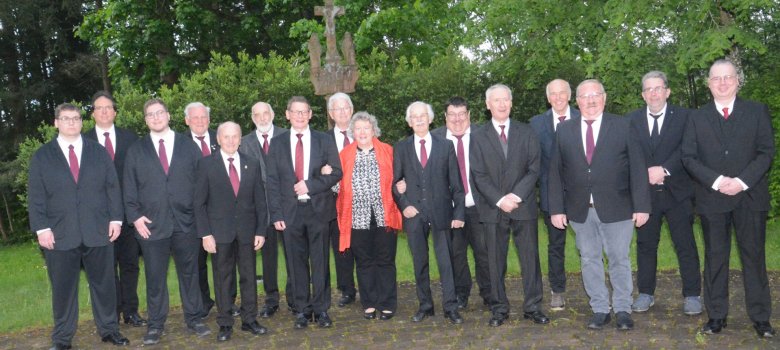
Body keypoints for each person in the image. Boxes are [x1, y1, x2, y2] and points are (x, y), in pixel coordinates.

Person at [681, 59, 775, 338]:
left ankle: (761, 318)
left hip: (750, 197)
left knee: (754, 258)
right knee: (715, 258)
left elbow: (765, 152)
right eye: (716, 78)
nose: (722, 83)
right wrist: (719, 181)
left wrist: (742, 182)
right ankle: (717, 316)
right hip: (712, 198)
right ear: (708, 83)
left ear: (737, 80)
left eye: (728, 77)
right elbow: (688, 157)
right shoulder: (696, 118)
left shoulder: (757, 112)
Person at [548, 79, 650, 331]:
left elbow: (638, 168)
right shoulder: (564, 130)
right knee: (590, 260)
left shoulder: (624, 126)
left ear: (604, 98)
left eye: (595, 95)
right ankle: (600, 309)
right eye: (585, 96)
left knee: (619, 259)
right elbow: (555, 172)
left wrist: (642, 205)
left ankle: (623, 308)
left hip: (618, 208)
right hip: (580, 210)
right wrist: (556, 208)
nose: (590, 100)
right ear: (577, 101)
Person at [28, 103, 129, 349]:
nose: (71, 122)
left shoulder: (98, 152)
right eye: (65, 118)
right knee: (63, 290)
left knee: (104, 286)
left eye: (75, 118)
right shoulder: (42, 156)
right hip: (60, 234)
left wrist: (116, 219)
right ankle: (62, 338)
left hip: (98, 231)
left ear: (82, 122)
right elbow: (36, 195)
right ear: (56, 123)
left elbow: (112, 187)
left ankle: (109, 329)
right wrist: (41, 228)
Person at [123, 98, 211, 345]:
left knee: (190, 274)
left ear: (169, 115)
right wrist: (135, 218)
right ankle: (156, 325)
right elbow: (128, 188)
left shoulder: (188, 146)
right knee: (155, 277)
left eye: (159, 113)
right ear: (146, 120)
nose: (156, 117)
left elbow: (201, 185)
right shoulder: (136, 150)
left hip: (186, 223)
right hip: (151, 226)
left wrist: (199, 217)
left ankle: (194, 318)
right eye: (150, 114)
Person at [470, 84, 548, 327]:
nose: (502, 104)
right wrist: (500, 199)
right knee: (495, 261)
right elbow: (478, 174)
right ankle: (499, 308)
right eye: (496, 100)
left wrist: (516, 196)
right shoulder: (478, 136)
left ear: (511, 103)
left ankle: (533, 307)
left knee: (530, 259)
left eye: (506, 100)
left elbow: (534, 168)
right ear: (488, 105)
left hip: (522, 206)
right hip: (493, 209)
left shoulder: (527, 132)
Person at [627, 71, 702, 315]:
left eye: (658, 88)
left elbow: (689, 149)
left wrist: (665, 169)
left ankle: (692, 294)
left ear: (667, 91)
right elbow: (629, 154)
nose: (653, 93)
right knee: (646, 245)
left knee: (685, 244)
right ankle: (646, 293)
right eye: (648, 89)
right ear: (642, 94)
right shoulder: (632, 120)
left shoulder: (686, 117)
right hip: (645, 195)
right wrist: (643, 174)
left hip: (677, 192)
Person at [265, 96, 343, 329]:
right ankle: (302, 310)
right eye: (295, 112)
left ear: (310, 115)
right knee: (295, 263)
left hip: (318, 209)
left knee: (320, 261)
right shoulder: (277, 144)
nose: (300, 116)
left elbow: (336, 172)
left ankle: (321, 310)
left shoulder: (323, 140)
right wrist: (276, 214)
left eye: (304, 112)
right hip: (289, 213)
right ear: (287, 114)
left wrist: (311, 184)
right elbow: (272, 181)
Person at [194, 122, 269, 342]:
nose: (230, 140)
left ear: (240, 138)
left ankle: (249, 320)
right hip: (219, 234)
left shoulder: (252, 163)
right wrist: (205, 234)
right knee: (223, 279)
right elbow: (199, 203)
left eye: (235, 136)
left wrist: (261, 231)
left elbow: (260, 201)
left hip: (247, 232)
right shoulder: (206, 165)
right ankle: (225, 323)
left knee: (248, 277)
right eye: (226, 137)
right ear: (218, 139)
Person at [392, 101, 465, 324]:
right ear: (409, 122)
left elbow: (457, 184)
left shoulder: (445, 146)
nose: (419, 119)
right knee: (419, 262)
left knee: (446, 262)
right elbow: (394, 184)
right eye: (414, 117)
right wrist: (404, 204)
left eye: (423, 115)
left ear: (431, 118)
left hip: (441, 213)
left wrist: (459, 214)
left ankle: (450, 306)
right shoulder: (401, 148)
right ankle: (425, 305)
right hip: (414, 215)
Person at [83, 91, 145, 326]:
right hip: (99, 218)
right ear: (93, 114)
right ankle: (112, 314)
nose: (105, 111)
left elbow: (139, 177)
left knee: (129, 264)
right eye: (99, 108)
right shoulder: (83, 142)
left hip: (128, 216)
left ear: (115, 112)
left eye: (108, 107)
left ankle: (131, 311)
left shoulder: (131, 139)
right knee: (106, 268)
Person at [334, 111, 402, 320]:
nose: (362, 132)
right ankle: (370, 302)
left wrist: (402, 183)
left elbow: (399, 176)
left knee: (385, 260)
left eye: (367, 128)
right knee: (364, 261)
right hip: (356, 217)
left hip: (385, 215)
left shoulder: (388, 151)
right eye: (358, 128)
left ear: (374, 130)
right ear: (353, 131)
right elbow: (337, 185)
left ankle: (387, 302)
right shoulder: (344, 155)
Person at [432, 97, 490, 309]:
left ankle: (489, 293)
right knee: (455, 254)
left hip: (479, 206)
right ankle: (461, 293)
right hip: (449, 209)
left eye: (461, 114)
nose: (457, 119)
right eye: (452, 115)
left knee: (484, 253)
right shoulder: (434, 138)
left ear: (469, 116)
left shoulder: (482, 135)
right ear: (445, 117)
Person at [529, 79, 580, 311]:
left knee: (591, 244)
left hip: (583, 194)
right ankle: (557, 290)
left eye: (562, 93)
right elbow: (533, 161)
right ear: (548, 98)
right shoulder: (536, 124)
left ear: (569, 95)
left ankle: (596, 289)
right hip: (553, 195)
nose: (558, 98)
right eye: (553, 94)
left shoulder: (585, 117)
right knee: (555, 245)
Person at [239, 101, 294, 317]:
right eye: (257, 115)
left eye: (265, 113)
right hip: (260, 211)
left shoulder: (288, 136)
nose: (262, 118)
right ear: (252, 118)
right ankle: (271, 299)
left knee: (292, 255)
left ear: (273, 114)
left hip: (287, 207)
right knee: (268, 258)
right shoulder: (244, 143)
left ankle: (294, 297)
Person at [183, 102, 238, 318]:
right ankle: (203, 302)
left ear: (209, 119)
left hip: (222, 216)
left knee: (226, 262)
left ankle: (228, 302)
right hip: (191, 213)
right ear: (186, 120)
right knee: (197, 262)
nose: (199, 121)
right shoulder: (179, 143)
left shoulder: (224, 137)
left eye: (203, 116)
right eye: (194, 117)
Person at [326, 92, 358, 307]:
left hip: (362, 199)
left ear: (352, 110)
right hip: (334, 200)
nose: (342, 112)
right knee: (341, 246)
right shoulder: (322, 139)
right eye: (337, 109)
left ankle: (368, 285)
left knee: (364, 244)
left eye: (346, 107)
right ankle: (347, 289)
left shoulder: (364, 132)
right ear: (331, 113)